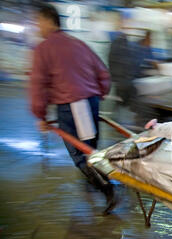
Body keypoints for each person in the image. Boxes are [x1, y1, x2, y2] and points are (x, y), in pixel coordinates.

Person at [30, 4, 116, 214]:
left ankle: (108, 190)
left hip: (72, 105)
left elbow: (38, 84)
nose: (37, 26)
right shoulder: (78, 44)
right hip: (90, 101)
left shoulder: (44, 48)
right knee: (91, 149)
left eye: (38, 21)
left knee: (81, 154)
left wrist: (39, 114)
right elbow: (103, 73)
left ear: (49, 21)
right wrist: (99, 93)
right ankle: (94, 183)